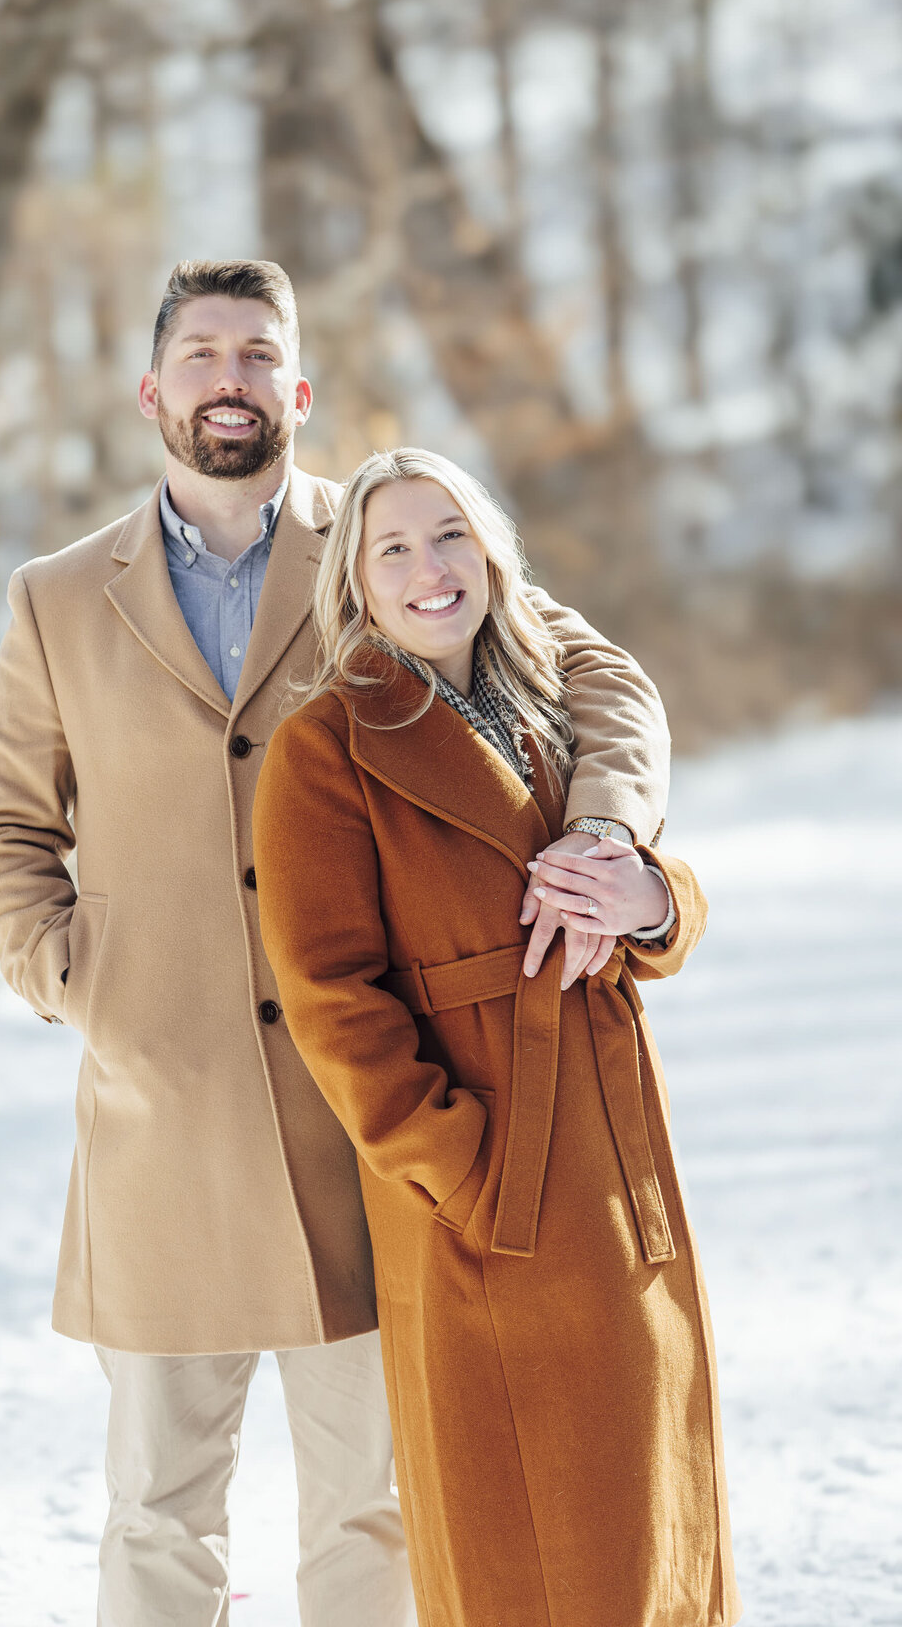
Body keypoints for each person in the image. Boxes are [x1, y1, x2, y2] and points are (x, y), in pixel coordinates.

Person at [0, 260, 677, 1627]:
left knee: (375, 1507)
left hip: (369, 1115)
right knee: (157, 1513)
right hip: (158, 1125)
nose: (229, 377)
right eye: (202, 352)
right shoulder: (56, 596)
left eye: (256, 353)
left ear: (297, 388)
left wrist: (607, 830)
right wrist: (82, 982)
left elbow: (598, 675)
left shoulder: (393, 541)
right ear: (151, 390)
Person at [251, 446, 742, 1627]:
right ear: (356, 584)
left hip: (616, 1150)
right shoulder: (326, 747)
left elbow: (642, 898)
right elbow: (330, 995)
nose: (431, 569)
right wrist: (460, 1169)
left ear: (493, 551)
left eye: (452, 534)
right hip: (482, 1186)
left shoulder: (541, 702)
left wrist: (655, 897)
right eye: (395, 548)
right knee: (529, 1531)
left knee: (648, 1494)